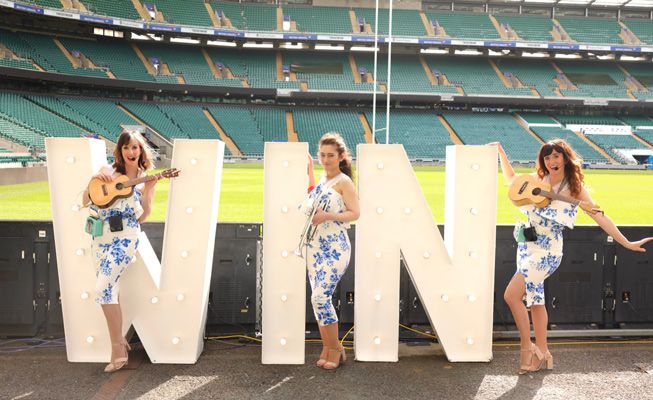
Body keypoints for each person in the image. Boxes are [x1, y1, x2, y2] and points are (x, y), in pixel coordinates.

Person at [490, 139, 653, 374]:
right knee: (536, 301)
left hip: (548, 251)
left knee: (511, 295)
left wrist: (626, 242)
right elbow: (512, 180)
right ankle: (543, 352)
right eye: (547, 157)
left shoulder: (575, 189)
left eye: (556, 156)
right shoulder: (538, 180)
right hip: (527, 247)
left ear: (565, 158)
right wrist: (501, 152)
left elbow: (600, 216)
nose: (551, 161)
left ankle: (527, 347)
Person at [83, 130, 160, 373]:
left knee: (102, 289)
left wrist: (149, 190)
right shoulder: (108, 171)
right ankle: (120, 341)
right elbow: (85, 201)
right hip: (100, 238)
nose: (130, 152)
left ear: (141, 151)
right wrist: (95, 179)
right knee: (110, 291)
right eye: (126, 147)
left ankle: (117, 348)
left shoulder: (144, 179)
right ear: (120, 150)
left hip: (125, 237)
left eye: (135, 147)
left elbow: (143, 216)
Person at [300, 133, 360, 370]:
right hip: (314, 248)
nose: (325, 160)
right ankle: (327, 347)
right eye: (322, 155)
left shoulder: (345, 182)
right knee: (317, 301)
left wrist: (327, 216)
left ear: (341, 156)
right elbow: (313, 194)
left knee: (320, 297)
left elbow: (355, 213)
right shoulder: (324, 179)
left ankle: (335, 348)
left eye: (330, 155)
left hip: (335, 248)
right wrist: (310, 170)